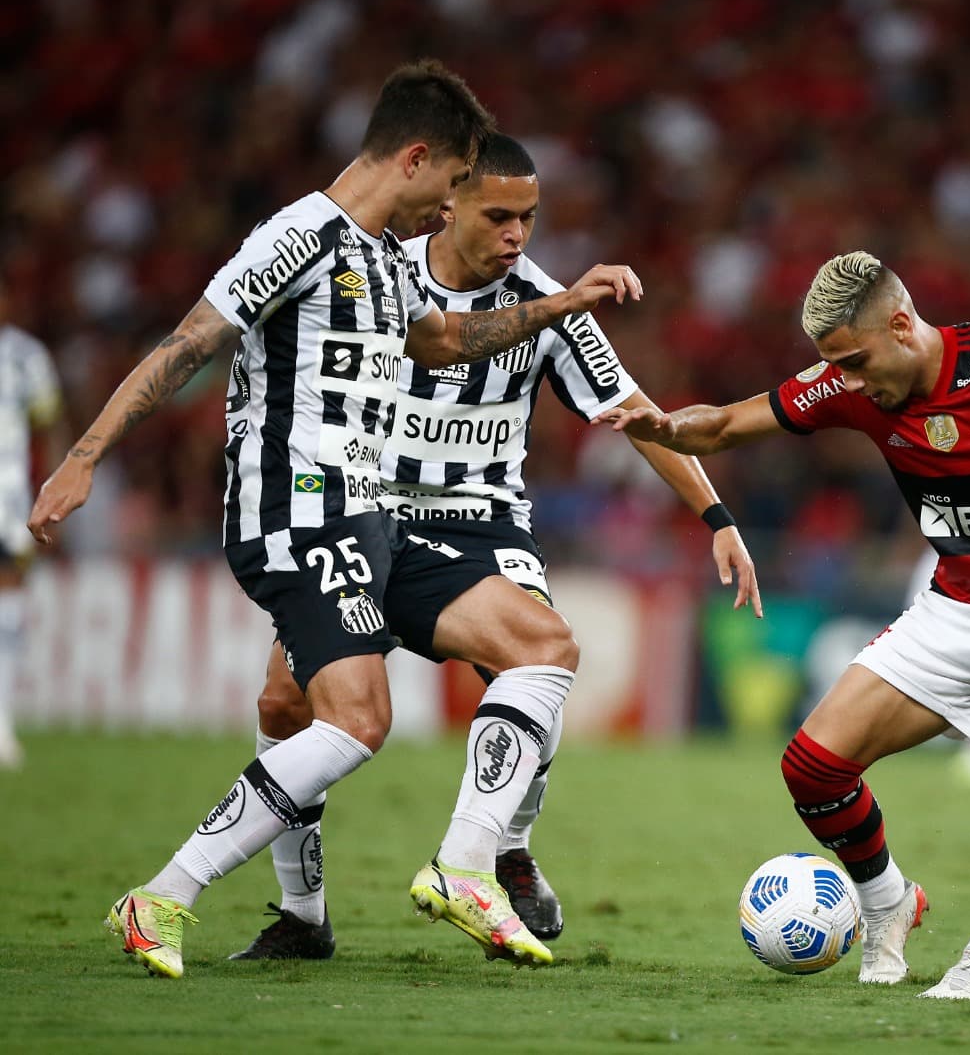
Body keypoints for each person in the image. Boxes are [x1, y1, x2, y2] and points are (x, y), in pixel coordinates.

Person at [29, 60, 645, 980]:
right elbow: (191, 342)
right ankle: (163, 895)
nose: (451, 208)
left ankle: (380, 893)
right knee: (357, 721)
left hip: (373, 519)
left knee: (537, 645)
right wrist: (83, 455)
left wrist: (560, 305)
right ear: (414, 157)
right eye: (449, 185)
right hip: (296, 511)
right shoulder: (300, 237)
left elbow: (438, 340)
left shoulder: (386, 256)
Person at [227, 133, 762, 961]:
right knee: (283, 706)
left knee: (537, 656)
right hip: (367, 513)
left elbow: (634, 412)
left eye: (531, 217)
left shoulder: (545, 306)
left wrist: (717, 517)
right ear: (449, 205)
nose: (519, 234)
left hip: (483, 522)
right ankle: (303, 916)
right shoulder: (379, 275)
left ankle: (496, 851)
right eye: (500, 215)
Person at [598, 251, 970, 996]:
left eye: (854, 359)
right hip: (952, 606)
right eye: (834, 365)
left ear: (902, 325)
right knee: (812, 767)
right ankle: (887, 902)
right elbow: (723, 425)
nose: (847, 379)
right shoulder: (850, 388)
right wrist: (667, 428)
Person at [0, 281, 67, 769]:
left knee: (9, 602)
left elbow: (47, 427)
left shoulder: (25, 356)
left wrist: (53, 490)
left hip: (8, 499)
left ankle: (2, 723)